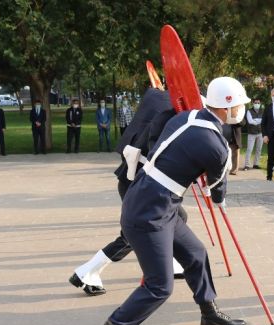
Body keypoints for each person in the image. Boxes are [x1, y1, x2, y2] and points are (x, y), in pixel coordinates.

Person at [89, 77, 248, 325]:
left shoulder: (186, 117)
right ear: (225, 108)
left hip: (156, 199)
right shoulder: (217, 144)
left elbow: (160, 142)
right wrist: (220, 201)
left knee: (196, 254)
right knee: (160, 285)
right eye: (237, 105)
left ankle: (209, 314)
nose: (240, 110)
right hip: (150, 211)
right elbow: (216, 187)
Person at [69, 88, 188, 297]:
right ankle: (86, 272)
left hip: (136, 185)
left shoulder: (159, 117)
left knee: (177, 218)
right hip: (138, 188)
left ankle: (172, 262)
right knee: (131, 237)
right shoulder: (162, 125)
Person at [243, 98, 263, 170]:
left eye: (258, 103)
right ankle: (247, 165)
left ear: (260, 104)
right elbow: (250, 121)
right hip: (251, 133)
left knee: (259, 149)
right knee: (249, 149)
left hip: (260, 133)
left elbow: (263, 120)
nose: (257, 104)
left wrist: (256, 120)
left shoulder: (262, 111)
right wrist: (258, 121)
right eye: (255, 102)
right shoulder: (249, 111)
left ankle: (256, 164)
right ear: (253, 103)